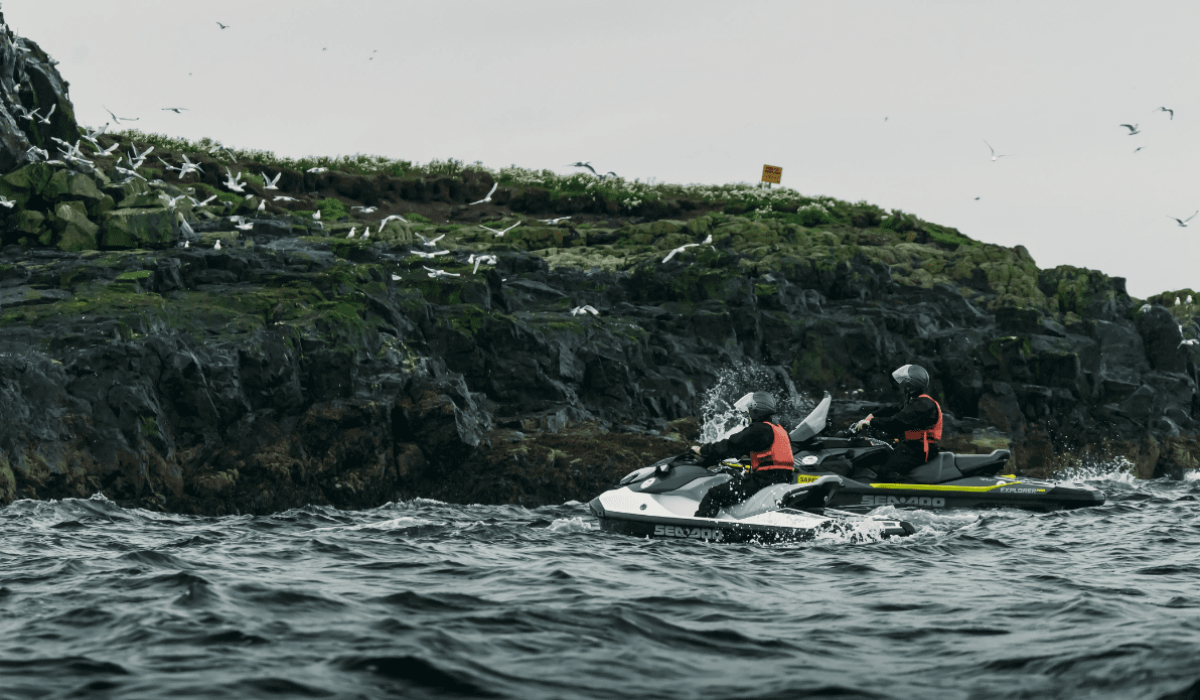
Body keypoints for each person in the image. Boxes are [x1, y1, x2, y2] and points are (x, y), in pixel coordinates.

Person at [693, 392, 795, 518]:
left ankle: (700, 529)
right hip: (783, 478)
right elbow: (756, 452)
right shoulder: (779, 430)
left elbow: (730, 446)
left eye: (750, 409)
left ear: (757, 411)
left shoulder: (758, 430)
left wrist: (703, 450)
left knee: (714, 494)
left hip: (764, 480)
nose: (748, 413)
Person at [850, 364, 942, 480]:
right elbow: (893, 409)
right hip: (912, 446)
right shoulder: (915, 402)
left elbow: (897, 422)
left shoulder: (923, 405)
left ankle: (910, 493)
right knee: (878, 458)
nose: (901, 384)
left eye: (904, 381)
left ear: (910, 384)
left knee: (886, 471)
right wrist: (872, 415)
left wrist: (871, 423)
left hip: (921, 449)